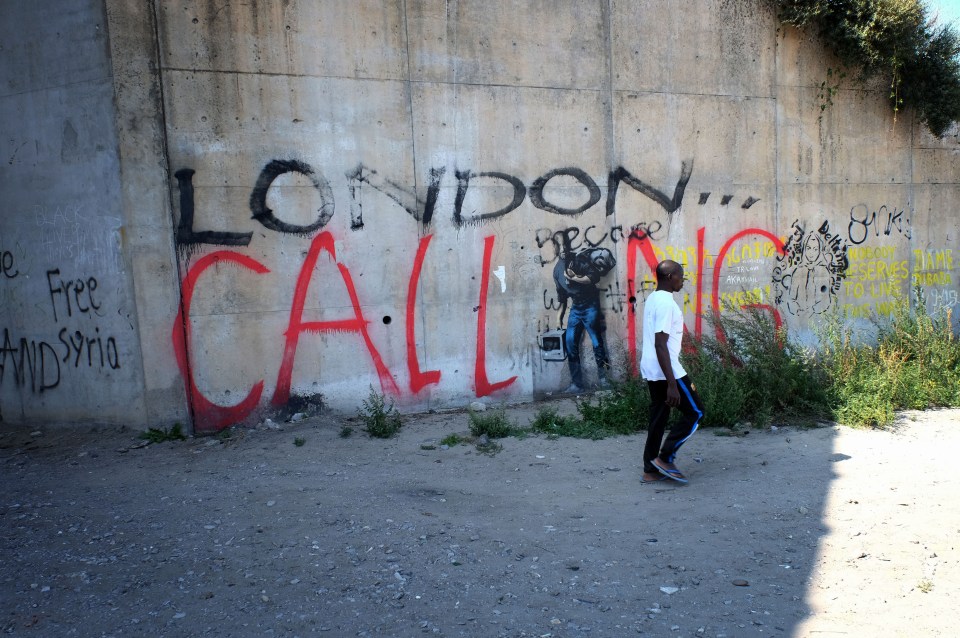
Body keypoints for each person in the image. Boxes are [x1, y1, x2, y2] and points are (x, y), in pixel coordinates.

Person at [639, 260, 704, 484]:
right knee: (695, 412)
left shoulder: (653, 298)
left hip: (652, 367)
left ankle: (650, 470)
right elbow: (660, 343)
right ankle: (665, 458)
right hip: (668, 369)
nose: (682, 279)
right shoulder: (666, 303)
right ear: (669, 277)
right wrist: (672, 384)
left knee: (659, 417)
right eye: (680, 276)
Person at [554, 247, 616, 393]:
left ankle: (604, 379)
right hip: (576, 308)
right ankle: (577, 384)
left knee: (597, 342)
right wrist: (559, 319)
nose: (564, 254)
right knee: (570, 343)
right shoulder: (557, 272)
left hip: (590, 304)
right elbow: (562, 298)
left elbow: (593, 277)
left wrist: (574, 278)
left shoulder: (579, 260)